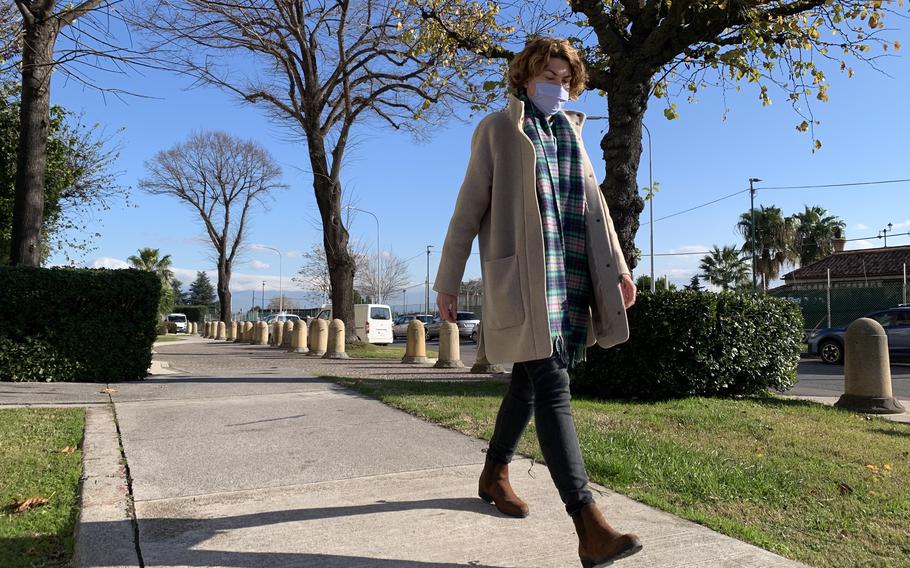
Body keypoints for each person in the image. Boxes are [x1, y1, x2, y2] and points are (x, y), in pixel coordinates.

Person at [433, 37, 642, 567]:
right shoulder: (499, 129)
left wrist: (618, 268)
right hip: (523, 281)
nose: (558, 86)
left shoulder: (574, 134)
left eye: (565, 79)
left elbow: (595, 206)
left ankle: (493, 472)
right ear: (525, 77)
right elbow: (467, 209)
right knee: (553, 385)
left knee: (528, 384)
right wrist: (448, 281)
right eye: (547, 76)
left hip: (570, 277)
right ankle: (588, 523)